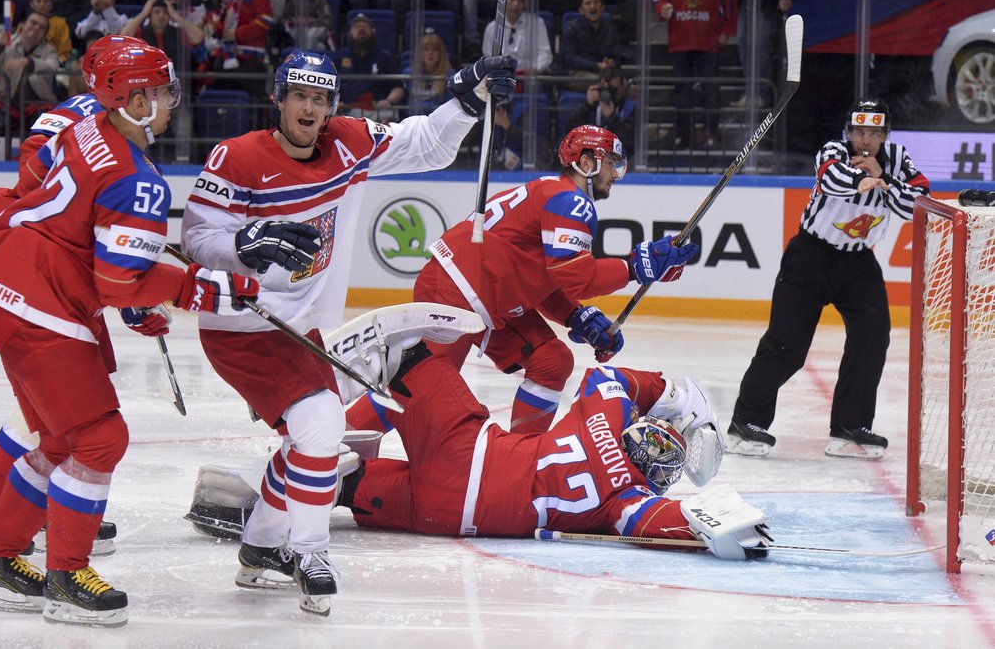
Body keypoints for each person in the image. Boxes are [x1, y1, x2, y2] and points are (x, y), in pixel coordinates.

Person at [179, 49, 517, 614]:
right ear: (278, 99)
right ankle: (309, 551)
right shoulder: (234, 158)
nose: (309, 109)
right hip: (243, 323)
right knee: (321, 423)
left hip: (302, 328)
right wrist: (242, 246)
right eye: (299, 97)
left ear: (331, 106)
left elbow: (428, 145)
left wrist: (466, 97)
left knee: (306, 437)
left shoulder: (350, 142)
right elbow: (196, 239)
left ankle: (262, 547)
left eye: (320, 99)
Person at [0, 41, 258, 627]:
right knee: (99, 439)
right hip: (40, 309)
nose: (170, 101)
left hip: (7, 285)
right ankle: (67, 574)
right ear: (132, 98)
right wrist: (202, 288)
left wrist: (130, 262)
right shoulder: (138, 181)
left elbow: (37, 175)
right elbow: (120, 287)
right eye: (159, 91)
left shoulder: (86, 123)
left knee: (55, 438)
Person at [188, 350, 762, 562]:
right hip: (445, 518)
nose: (657, 440)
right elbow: (676, 522)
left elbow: (606, 375)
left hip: (468, 455)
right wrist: (731, 531)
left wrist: (668, 392)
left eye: (662, 442)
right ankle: (251, 500)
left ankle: (315, 419)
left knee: (414, 358)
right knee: (349, 484)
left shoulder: (603, 423)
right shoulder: (627, 502)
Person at [346, 125, 699, 436]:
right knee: (416, 387)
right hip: (456, 293)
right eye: (611, 164)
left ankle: (523, 453)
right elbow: (574, 276)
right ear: (587, 162)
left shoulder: (557, 194)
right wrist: (637, 267)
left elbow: (545, 276)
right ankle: (332, 445)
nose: (616, 175)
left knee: (552, 360)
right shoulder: (571, 202)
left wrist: (576, 316)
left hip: (481, 295)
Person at [0, 35, 154, 561]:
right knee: (50, 419)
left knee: (52, 416)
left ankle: (24, 509)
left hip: (38, 277)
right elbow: (42, 194)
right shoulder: (84, 118)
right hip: (32, 281)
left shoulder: (96, 115)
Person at [726, 98, 931, 460]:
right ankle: (745, 423)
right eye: (859, 132)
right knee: (786, 345)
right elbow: (832, 180)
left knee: (872, 336)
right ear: (848, 133)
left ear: (885, 135)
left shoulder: (898, 159)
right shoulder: (832, 150)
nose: (865, 140)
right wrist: (869, 180)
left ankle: (849, 427)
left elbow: (919, 203)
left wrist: (881, 179)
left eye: (873, 133)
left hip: (858, 264)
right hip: (810, 256)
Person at [653, 0, 736, 150]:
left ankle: (712, 133)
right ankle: (683, 134)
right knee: (682, 89)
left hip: (709, 39)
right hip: (680, 39)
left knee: (710, 89)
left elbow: (729, 0)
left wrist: (727, 30)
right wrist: (663, 8)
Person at [0, 11, 59, 113]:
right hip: (4, 103)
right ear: (22, 25)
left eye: (42, 27)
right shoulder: (7, 42)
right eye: (33, 23)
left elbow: (53, 66)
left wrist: (29, 62)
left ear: (44, 34)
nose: (37, 28)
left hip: (38, 106)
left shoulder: (49, 50)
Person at [334, 13, 403, 118]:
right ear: (350, 33)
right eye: (357, 27)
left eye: (365, 27)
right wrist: (334, 103)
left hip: (378, 111)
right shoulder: (339, 56)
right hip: (346, 112)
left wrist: (389, 101)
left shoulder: (384, 58)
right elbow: (328, 85)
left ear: (372, 32)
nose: (361, 29)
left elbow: (398, 87)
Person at [482, 0, 552, 76]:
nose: (516, 4)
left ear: (525, 4)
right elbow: (488, 57)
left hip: (530, 77)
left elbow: (545, 53)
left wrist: (535, 68)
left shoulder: (537, 24)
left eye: (521, 1)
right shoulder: (492, 27)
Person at [560, 0, 623, 89]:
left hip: (606, 73)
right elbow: (569, 58)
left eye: (596, 2)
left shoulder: (611, 29)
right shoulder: (571, 28)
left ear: (602, 7)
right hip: (576, 74)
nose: (592, 6)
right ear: (581, 10)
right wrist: (596, 65)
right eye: (588, 3)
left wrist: (612, 63)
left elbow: (618, 57)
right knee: (610, 84)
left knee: (631, 88)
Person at [567, 66, 635, 158]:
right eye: (606, 89)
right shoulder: (593, 106)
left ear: (622, 88)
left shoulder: (631, 108)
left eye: (613, 89)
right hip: (591, 158)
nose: (609, 93)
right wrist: (587, 106)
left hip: (620, 160)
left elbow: (631, 140)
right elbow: (571, 133)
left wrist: (611, 117)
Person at [396, 30, 454, 115]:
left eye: (434, 50)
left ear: (440, 53)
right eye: (426, 50)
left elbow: (450, 105)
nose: (430, 53)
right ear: (420, 53)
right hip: (412, 121)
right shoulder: (408, 74)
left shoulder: (449, 75)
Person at [25, 0, 74, 64]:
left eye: (46, 1)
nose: (42, 4)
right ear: (31, 4)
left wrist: (57, 62)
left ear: (51, 5)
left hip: (52, 64)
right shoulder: (25, 24)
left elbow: (65, 53)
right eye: (38, 1)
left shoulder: (60, 24)